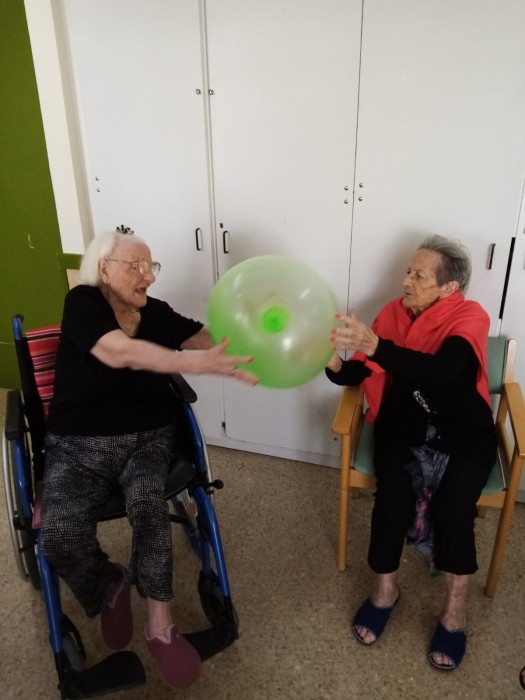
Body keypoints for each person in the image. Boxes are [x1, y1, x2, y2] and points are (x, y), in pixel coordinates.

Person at [40, 227, 257, 689]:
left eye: (151, 266)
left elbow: (202, 337)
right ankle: (110, 583)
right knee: (59, 534)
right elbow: (117, 352)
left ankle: (160, 626)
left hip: (148, 439)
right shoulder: (83, 303)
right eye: (136, 266)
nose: (149, 277)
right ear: (104, 269)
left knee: (149, 508)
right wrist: (192, 364)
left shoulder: (154, 312)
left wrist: (255, 339)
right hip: (77, 446)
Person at [325, 234, 496, 671]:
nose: (406, 281)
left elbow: (445, 372)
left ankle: (454, 613)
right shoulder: (391, 313)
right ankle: (385, 592)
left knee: (455, 510)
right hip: (402, 426)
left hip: (463, 430)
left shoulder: (470, 316)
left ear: (449, 287)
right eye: (408, 272)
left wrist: (376, 347)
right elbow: (360, 371)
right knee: (391, 502)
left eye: (419, 276)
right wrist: (333, 362)